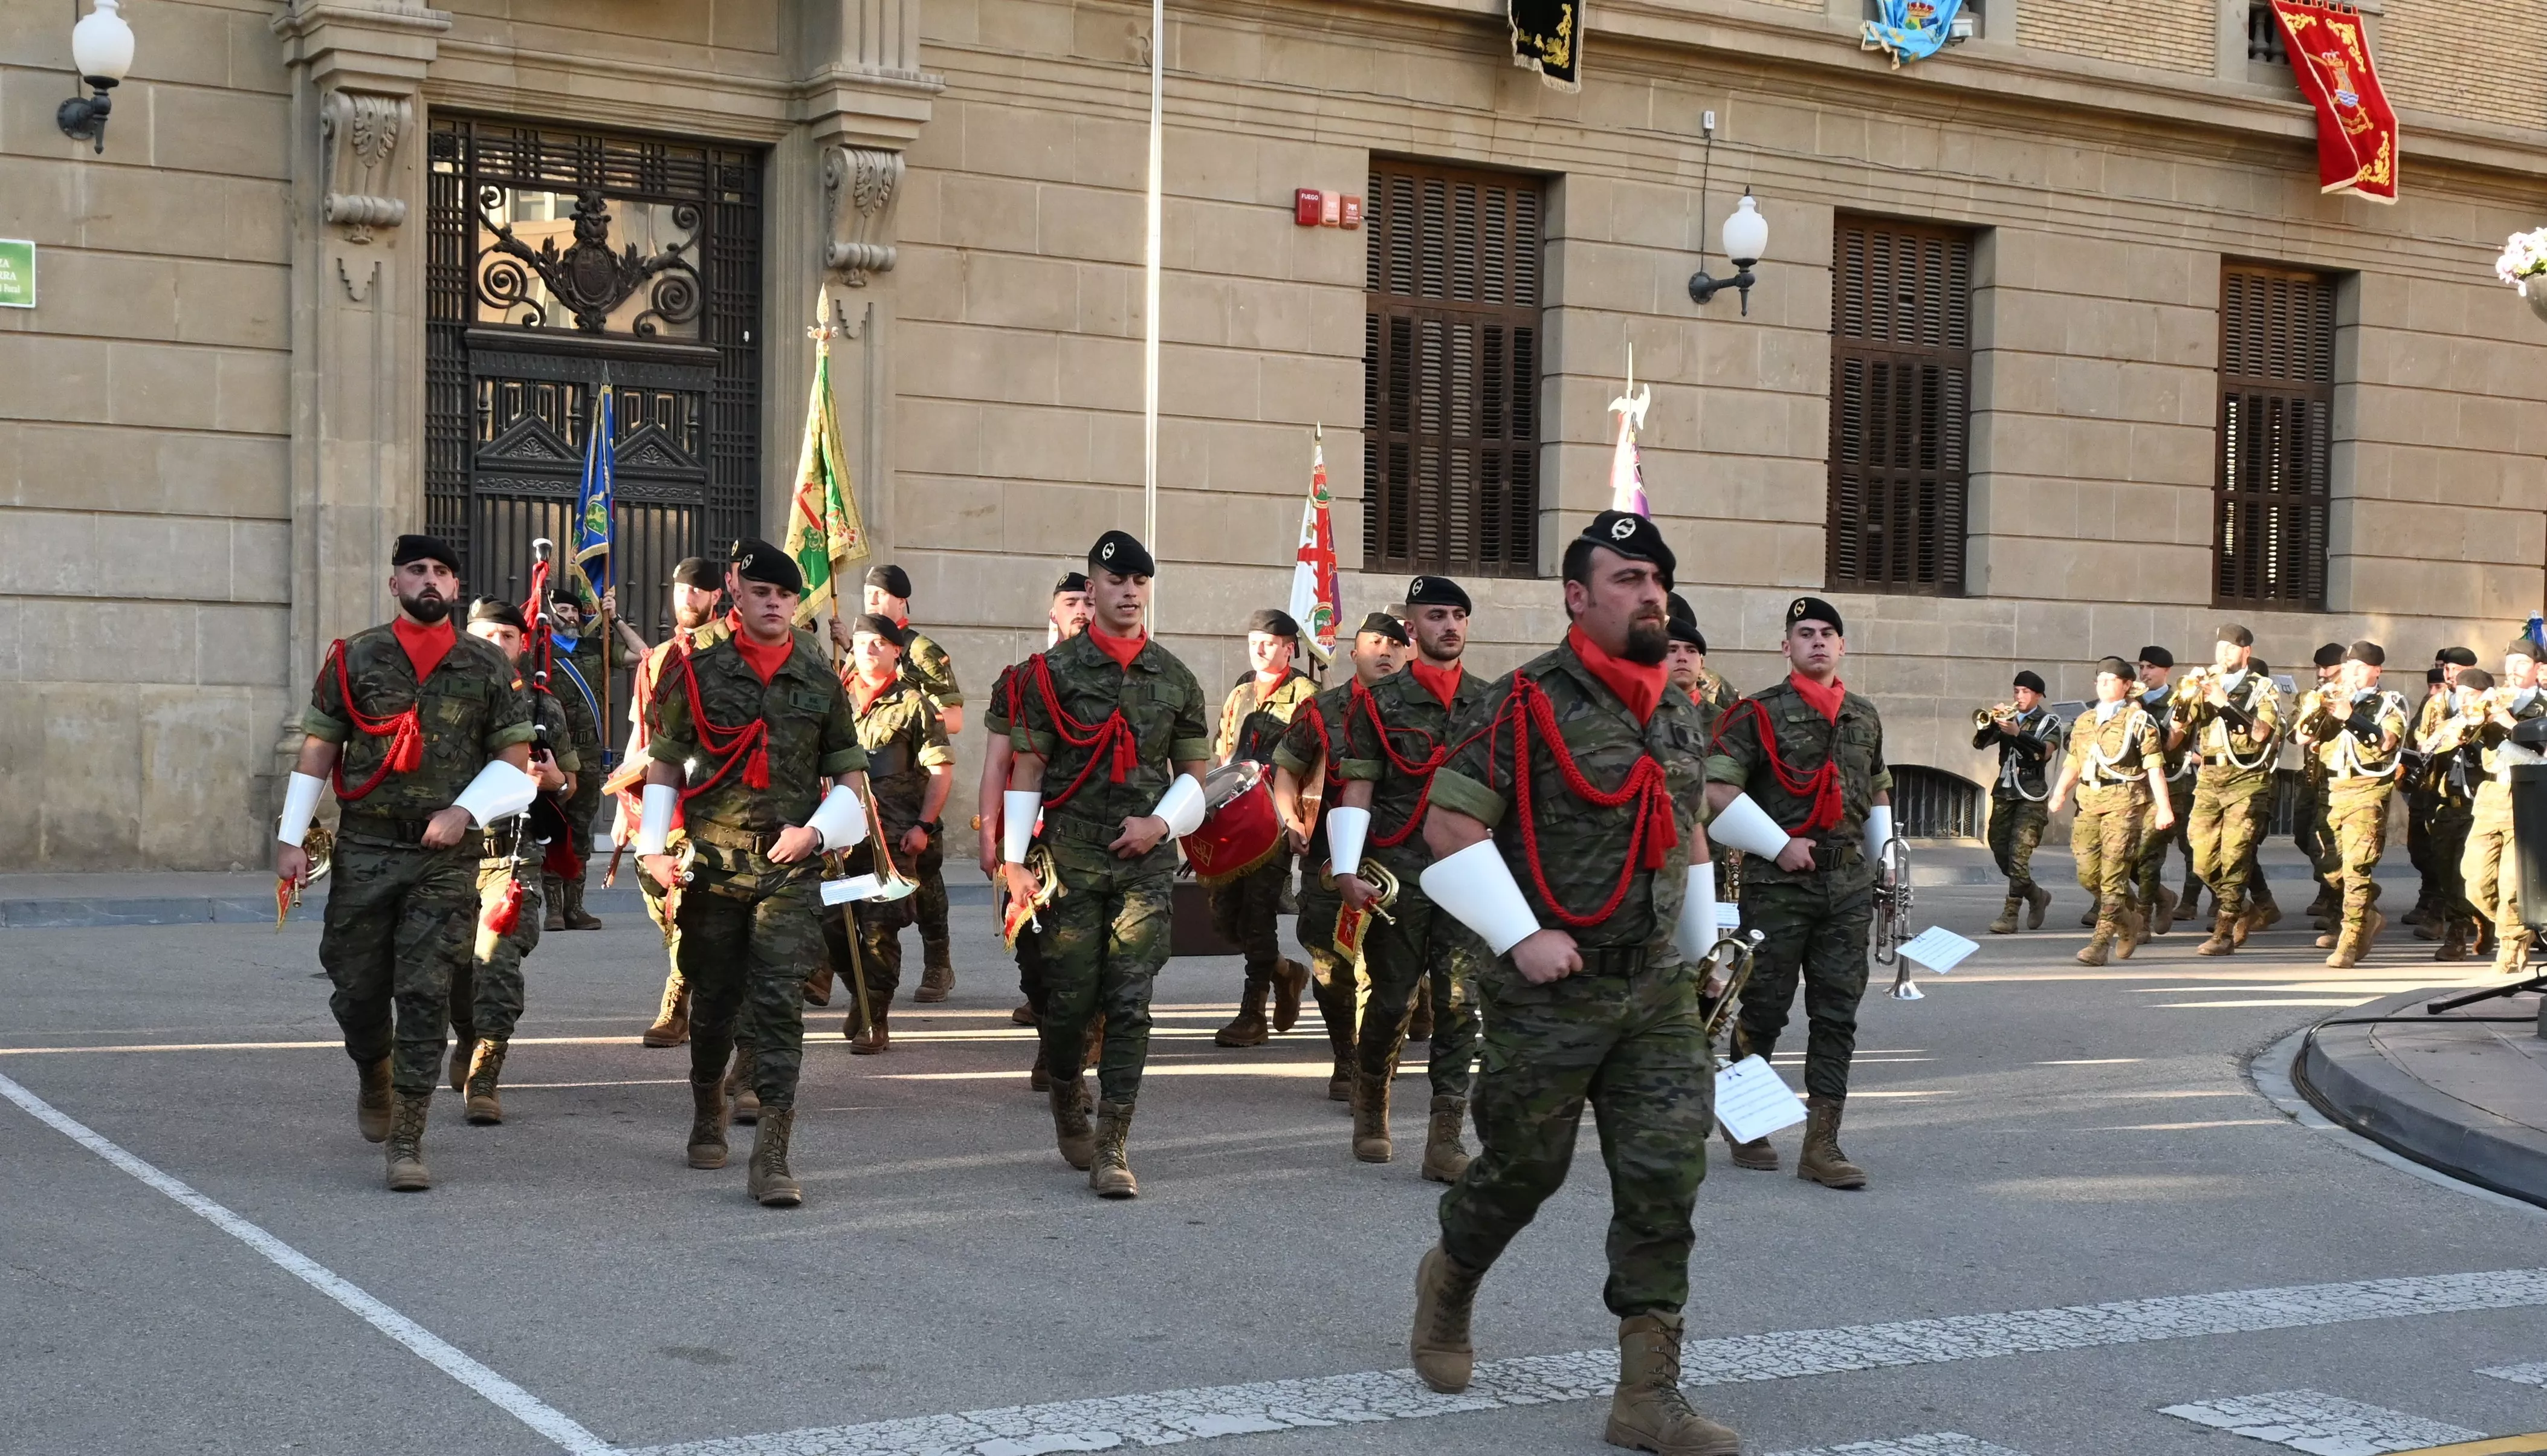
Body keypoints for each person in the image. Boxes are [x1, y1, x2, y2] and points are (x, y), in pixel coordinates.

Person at [1408, 511, 1735, 1455]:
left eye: (1656, 580)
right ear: (1576, 596)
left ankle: (1646, 1396)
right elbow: (1449, 829)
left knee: (1665, 1176)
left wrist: (1701, 941)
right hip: (1546, 991)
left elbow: (1683, 831)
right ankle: (1450, 1279)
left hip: (1655, 994)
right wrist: (1522, 937)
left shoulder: (1676, 705)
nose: (1649, 594)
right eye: (1628, 578)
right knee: (1522, 1171)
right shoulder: (1516, 703)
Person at [273, 534, 538, 1192]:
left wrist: (465, 815)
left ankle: (408, 1138)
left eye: (442, 572)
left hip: (444, 856)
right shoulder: (355, 656)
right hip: (365, 845)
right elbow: (318, 749)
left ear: (454, 588)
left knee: (424, 993)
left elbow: (515, 764)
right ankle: (374, 1071)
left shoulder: (486, 666)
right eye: (416, 570)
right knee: (356, 988)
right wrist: (291, 834)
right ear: (395, 583)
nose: (429, 580)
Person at [633, 539, 872, 1207]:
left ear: (797, 602)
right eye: (762, 592)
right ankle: (708, 1104)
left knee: (777, 1011)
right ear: (735, 591)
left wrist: (818, 832)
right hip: (711, 863)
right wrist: (653, 847)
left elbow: (850, 776)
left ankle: (772, 1153)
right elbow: (664, 762)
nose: (774, 605)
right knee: (712, 1006)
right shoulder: (693, 666)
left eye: (785, 595)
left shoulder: (818, 673)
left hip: (787, 862)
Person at [1000, 532, 1211, 1199]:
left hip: (1144, 861)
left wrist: (1158, 824)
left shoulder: (1175, 678)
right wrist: (1011, 862)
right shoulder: (1050, 675)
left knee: (1130, 1000)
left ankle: (1112, 1144)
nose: (1128, 592)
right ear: (1091, 589)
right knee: (1067, 1003)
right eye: (1115, 581)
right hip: (1070, 857)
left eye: (1138, 583)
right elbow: (1027, 769)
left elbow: (1195, 778)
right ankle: (1067, 1096)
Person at [1704, 596, 1890, 1188]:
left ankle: (1822, 1144)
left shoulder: (1862, 715)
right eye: (1803, 633)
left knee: (1836, 1015)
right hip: (1776, 884)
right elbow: (1715, 792)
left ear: (1841, 646)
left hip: (1846, 885)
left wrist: (1887, 861)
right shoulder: (1755, 713)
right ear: (1785, 647)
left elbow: (1878, 789)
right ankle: (1746, 1120)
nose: (1816, 641)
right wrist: (1778, 844)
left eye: (1826, 633)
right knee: (1762, 1010)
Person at [1332, 576, 1485, 1179]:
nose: (1448, 625)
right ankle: (1371, 1102)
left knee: (1458, 1004)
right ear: (1412, 629)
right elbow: (1359, 785)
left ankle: (1444, 1136)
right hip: (1399, 872)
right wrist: (1345, 868)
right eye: (1435, 616)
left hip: (1467, 872)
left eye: (1457, 616)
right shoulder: (1379, 702)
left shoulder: (1491, 701)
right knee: (1392, 1000)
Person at [447, 597, 578, 1126]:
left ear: (523, 645)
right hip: (450, 857)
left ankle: (485, 1071)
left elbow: (571, 782)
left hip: (511, 856)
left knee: (497, 962)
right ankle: (466, 1034)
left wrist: (555, 783)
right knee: (456, 966)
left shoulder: (543, 707)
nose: (498, 645)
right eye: (487, 635)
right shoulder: (441, 698)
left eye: (508, 636)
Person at [1271, 612, 1408, 1102]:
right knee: (1332, 967)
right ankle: (1346, 1057)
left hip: (1400, 856)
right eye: (1376, 642)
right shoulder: (1322, 709)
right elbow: (1286, 769)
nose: (1386, 651)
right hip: (1329, 858)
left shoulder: (1423, 711)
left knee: (1389, 970)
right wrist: (1290, 820)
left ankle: (1376, 1063)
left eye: (1396, 643)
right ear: (1355, 652)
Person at [980, 571, 1095, 1089]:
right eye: (1072, 601)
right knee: (1033, 951)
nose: (1083, 610)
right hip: (1031, 839)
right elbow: (996, 763)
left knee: (1091, 955)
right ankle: (1053, 1038)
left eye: (1090, 600)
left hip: (1095, 836)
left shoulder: (1135, 674)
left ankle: (1078, 1043)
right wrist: (990, 836)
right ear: (1053, 611)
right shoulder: (1023, 678)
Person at [821, 614, 956, 1053]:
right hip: (840, 839)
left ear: (897, 650)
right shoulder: (833, 700)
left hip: (893, 840)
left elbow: (940, 770)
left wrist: (924, 826)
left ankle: (875, 1019)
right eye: (862, 642)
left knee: (880, 932)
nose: (869, 649)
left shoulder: (915, 704)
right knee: (831, 926)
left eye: (880, 642)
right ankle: (861, 997)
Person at [833, 563, 965, 1004]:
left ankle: (937, 961)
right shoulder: (858, 649)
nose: (872, 600)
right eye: (868, 593)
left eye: (881, 594)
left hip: (913, 771)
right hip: (863, 785)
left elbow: (957, 719)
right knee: (850, 889)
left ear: (901, 599)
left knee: (922, 877)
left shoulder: (922, 650)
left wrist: (909, 711)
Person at [623, 557, 730, 1050]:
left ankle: (679, 1001)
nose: (688, 597)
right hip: (665, 797)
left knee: (690, 900)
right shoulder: (656, 658)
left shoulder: (729, 654)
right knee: (663, 902)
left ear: (717, 597)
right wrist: (626, 796)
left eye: (698, 590)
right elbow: (639, 735)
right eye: (681, 588)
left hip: (715, 796)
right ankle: (689, 987)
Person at [1202, 608, 1320, 1047]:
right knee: (1224, 917)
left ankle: (1253, 1015)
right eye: (1254, 640)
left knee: (1257, 914)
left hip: (1274, 821)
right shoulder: (1241, 693)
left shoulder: (1306, 694)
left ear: (1289, 648)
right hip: (1234, 818)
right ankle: (1287, 973)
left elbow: (1313, 763)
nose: (1259, 648)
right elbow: (1223, 755)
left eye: (1269, 642)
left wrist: (1298, 820)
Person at [2045, 656, 2173, 967]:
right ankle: (2127, 918)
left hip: (2124, 802)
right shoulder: (2085, 720)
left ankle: (2100, 943)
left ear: (2127, 685)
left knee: (2113, 876)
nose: (2103, 684)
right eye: (2099, 679)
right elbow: (2074, 761)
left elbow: (2154, 767)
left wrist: (2164, 808)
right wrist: (2060, 791)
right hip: (2089, 801)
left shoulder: (2139, 721)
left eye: (2110, 679)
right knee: (2089, 874)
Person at [2294, 641, 2411, 969]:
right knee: (2328, 867)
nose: (2353, 674)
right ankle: (2367, 913)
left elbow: (2387, 743)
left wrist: (2352, 717)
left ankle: (2350, 939)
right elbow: (2301, 737)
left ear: (2377, 671)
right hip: (2333, 788)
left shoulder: (2390, 702)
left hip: (2367, 788)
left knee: (2357, 868)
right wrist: (2322, 707)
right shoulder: (2332, 699)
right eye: (2349, 667)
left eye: (2361, 668)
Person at [2181, 626, 2284, 957]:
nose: (2224, 654)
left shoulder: (2262, 687)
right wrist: (2187, 695)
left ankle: (2224, 931)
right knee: (2201, 857)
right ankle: (2244, 908)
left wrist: (2225, 704)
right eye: (2220, 647)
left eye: (2232, 648)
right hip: (2210, 777)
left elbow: (2260, 733)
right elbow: (2181, 725)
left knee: (2236, 855)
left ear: (2246, 652)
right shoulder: (2207, 685)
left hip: (2246, 779)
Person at [545, 589, 643, 930]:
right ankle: (554, 910)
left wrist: (613, 619)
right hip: (552, 756)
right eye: (562, 609)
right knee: (552, 828)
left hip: (586, 755)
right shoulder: (540, 652)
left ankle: (575, 907)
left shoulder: (595, 648)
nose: (570, 615)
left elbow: (642, 653)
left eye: (573, 609)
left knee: (581, 831)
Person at [2462, 638, 2547, 974]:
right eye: (2509, 663)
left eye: (2522, 664)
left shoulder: (2543, 707)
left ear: (2539, 669)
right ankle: (2517, 927)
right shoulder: (2492, 701)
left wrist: (2508, 720)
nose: (2513, 671)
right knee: (2475, 881)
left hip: (2528, 800)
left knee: (2513, 883)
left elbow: (2541, 751)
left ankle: (2511, 948)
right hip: (2492, 799)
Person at [1975, 671, 2061, 935]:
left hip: (2031, 794)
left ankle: (2010, 913)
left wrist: (2018, 733)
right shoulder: (2007, 719)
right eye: (2016, 691)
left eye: (2025, 692)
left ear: (2038, 695)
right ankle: (2036, 895)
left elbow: (2043, 754)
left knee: (2019, 854)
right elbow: (1980, 744)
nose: (2019, 697)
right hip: (2005, 793)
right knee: (2000, 849)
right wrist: (1991, 724)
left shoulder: (2050, 721)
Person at [2415, 665, 2490, 961]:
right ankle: (2481, 917)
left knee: (2464, 874)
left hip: (2478, 809)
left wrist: (2472, 740)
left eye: (2473, 695)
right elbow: (2428, 760)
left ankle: (2457, 934)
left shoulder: (2492, 726)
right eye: (2461, 695)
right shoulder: (2450, 724)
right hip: (2448, 807)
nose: (2466, 701)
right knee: (2445, 873)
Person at [2406, 648, 2477, 942]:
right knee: (2431, 854)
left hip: (2470, 795)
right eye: (2447, 669)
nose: (2449, 675)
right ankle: (2442, 909)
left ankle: (2460, 920)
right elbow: (2419, 737)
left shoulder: (2482, 703)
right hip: (2434, 788)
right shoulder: (2435, 703)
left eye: (2456, 669)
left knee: (2463, 862)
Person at [2132, 647, 2202, 933]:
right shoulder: (2131, 700)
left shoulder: (2179, 701)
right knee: (2139, 855)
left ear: (2166, 671)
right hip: (2138, 785)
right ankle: (2158, 901)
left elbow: (2170, 744)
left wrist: (2139, 713)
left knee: (2193, 850)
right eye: (2142, 667)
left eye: (2151, 667)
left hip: (2176, 784)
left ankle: (2191, 902)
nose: (2145, 673)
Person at [2293, 642, 2349, 926]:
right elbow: (2296, 734)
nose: (2321, 673)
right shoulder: (2312, 697)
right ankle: (2329, 886)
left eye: (2327, 667)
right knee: (2303, 835)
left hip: (2336, 780)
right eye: (2318, 667)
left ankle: (2334, 898)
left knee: (2325, 842)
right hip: (2312, 777)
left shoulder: (2349, 699)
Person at [1663, 594, 1735, 721]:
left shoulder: (1715, 685)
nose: (1682, 657)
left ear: (1701, 662)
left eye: (1690, 650)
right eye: (1672, 650)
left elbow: (1737, 719)